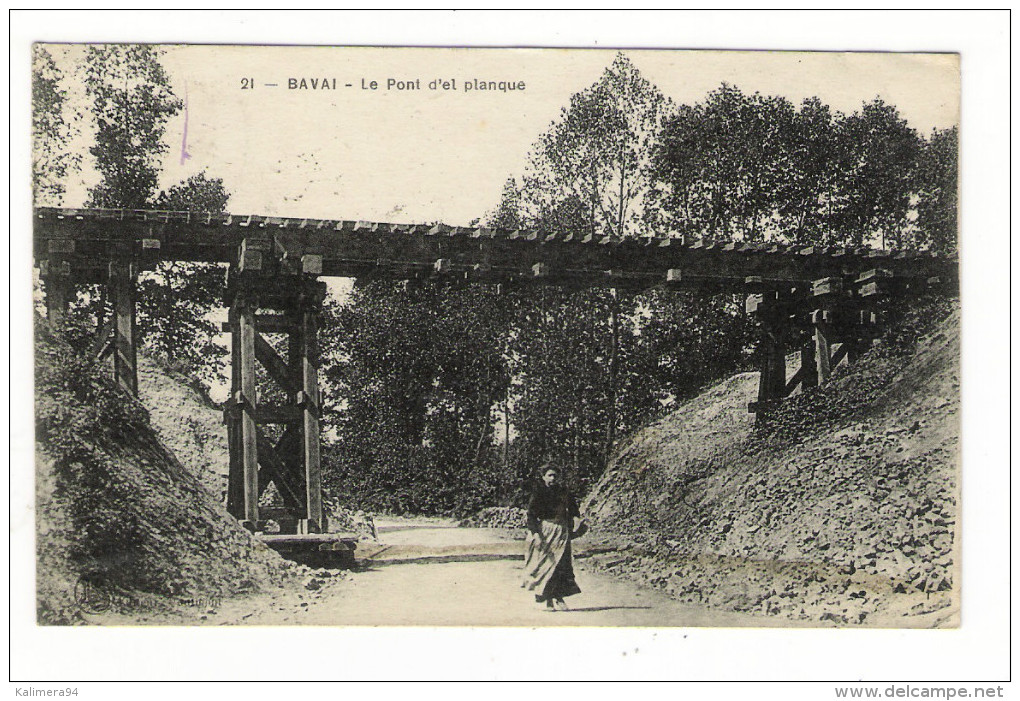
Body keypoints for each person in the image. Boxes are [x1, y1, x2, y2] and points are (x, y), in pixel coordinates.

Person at [521, 462, 583, 611]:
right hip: (546, 532)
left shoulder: (563, 492)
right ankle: (548, 600)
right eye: (549, 475)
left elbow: (574, 509)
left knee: (561, 566)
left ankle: (559, 598)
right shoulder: (538, 493)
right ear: (543, 477)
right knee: (547, 566)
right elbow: (531, 515)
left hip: (562, 532)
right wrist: (535, 533)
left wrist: (576, 519)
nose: (553, 478)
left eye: (555, 475)